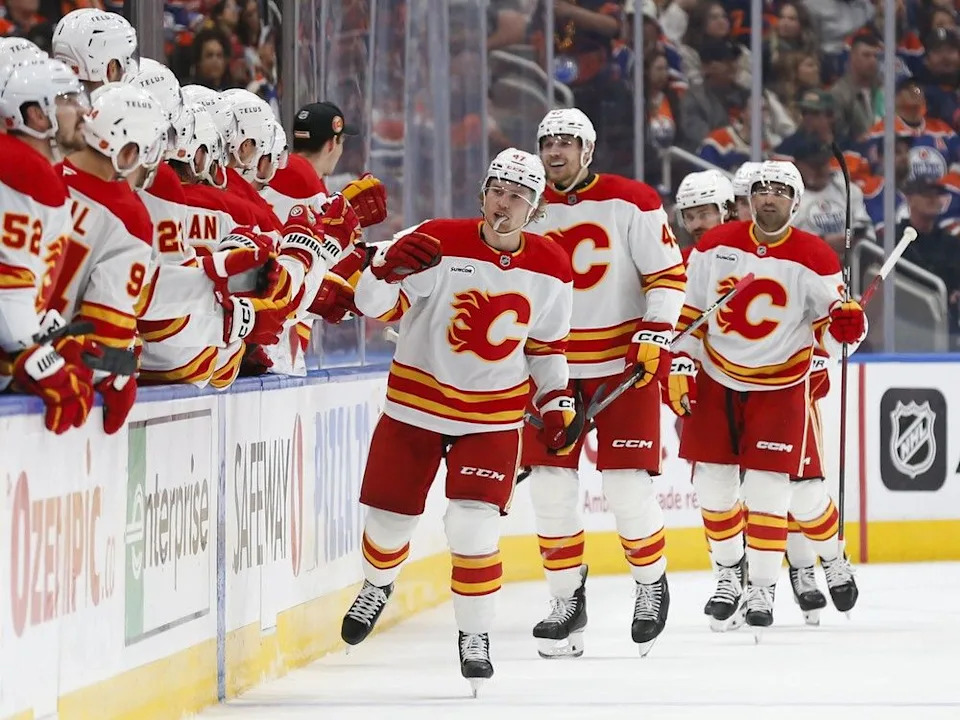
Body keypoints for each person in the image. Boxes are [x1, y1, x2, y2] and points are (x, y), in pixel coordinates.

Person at [340, 149, 574, 694]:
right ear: (482, 192)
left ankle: (476, 636)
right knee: (388, 523)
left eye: (519, 195)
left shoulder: (553, 266)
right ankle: (378, 584)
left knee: (473, 528)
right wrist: (381, 271)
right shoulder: (439, 239)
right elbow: (376, 306)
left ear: (535, 209)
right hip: (415, 406)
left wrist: (557, 398)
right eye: (498, 188)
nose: (505, 202)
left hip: (491, 418)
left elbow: (546, 347)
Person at [520, 108, 686, 658]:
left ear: (588, 151)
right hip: (551, 370)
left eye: (567, 143)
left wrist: (657, 332)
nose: (555, 152)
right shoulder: (525, 201)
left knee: (626, 486)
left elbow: (667, 274)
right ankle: (567, 603)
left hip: (621, 364)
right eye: (548, 143)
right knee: (549, 488)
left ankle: (649, 584)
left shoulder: (632, 200)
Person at [674, 160, 862, 633]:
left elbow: (834, 331)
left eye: (780, 190)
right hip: (718, 379)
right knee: (714, 488)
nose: (769, 197)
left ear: (795, 203)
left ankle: (768, 584)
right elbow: (690, 314)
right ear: (747, 200)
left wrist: (847, 330)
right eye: (761, 190)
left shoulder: (815, 256)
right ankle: (727, 578)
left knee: (785, 489)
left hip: (781, 387)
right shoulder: (715, 247)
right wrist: (680, 360)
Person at [0, 55, 95, 434]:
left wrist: (50, 336)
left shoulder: (35, 170)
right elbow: (7, 285)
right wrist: (34, 354)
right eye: (69, 100)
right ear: (37, 116)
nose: (83, 112)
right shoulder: (22, 170)